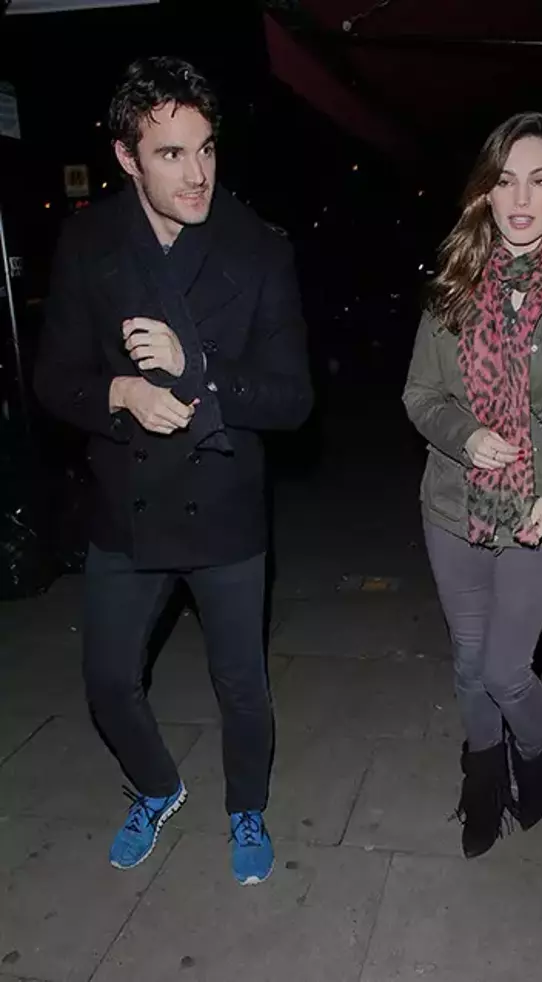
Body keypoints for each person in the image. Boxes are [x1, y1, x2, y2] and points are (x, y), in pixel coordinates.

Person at [34, 56, 313, 884]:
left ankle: (246, 807)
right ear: (127, 157)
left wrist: (198, 369)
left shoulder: (258, 248)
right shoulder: (88, 242)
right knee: (108, 681)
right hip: (126, 504)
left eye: (207, 148)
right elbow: (53, 378)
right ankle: (158, 787)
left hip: (224, 506)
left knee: (242, 685)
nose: (197, 175)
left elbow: (294, 399)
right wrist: (119, 391)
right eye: (170, 154)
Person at [403, 112, 542, 859]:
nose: (522, 199)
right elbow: (420, 395)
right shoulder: (453, 286)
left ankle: (534, 757)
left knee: (506, 670)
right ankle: (482, 782)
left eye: (540, 180)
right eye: (506, 182)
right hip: (454, 505)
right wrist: (465, 436)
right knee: (469, 666)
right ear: (485, 193)